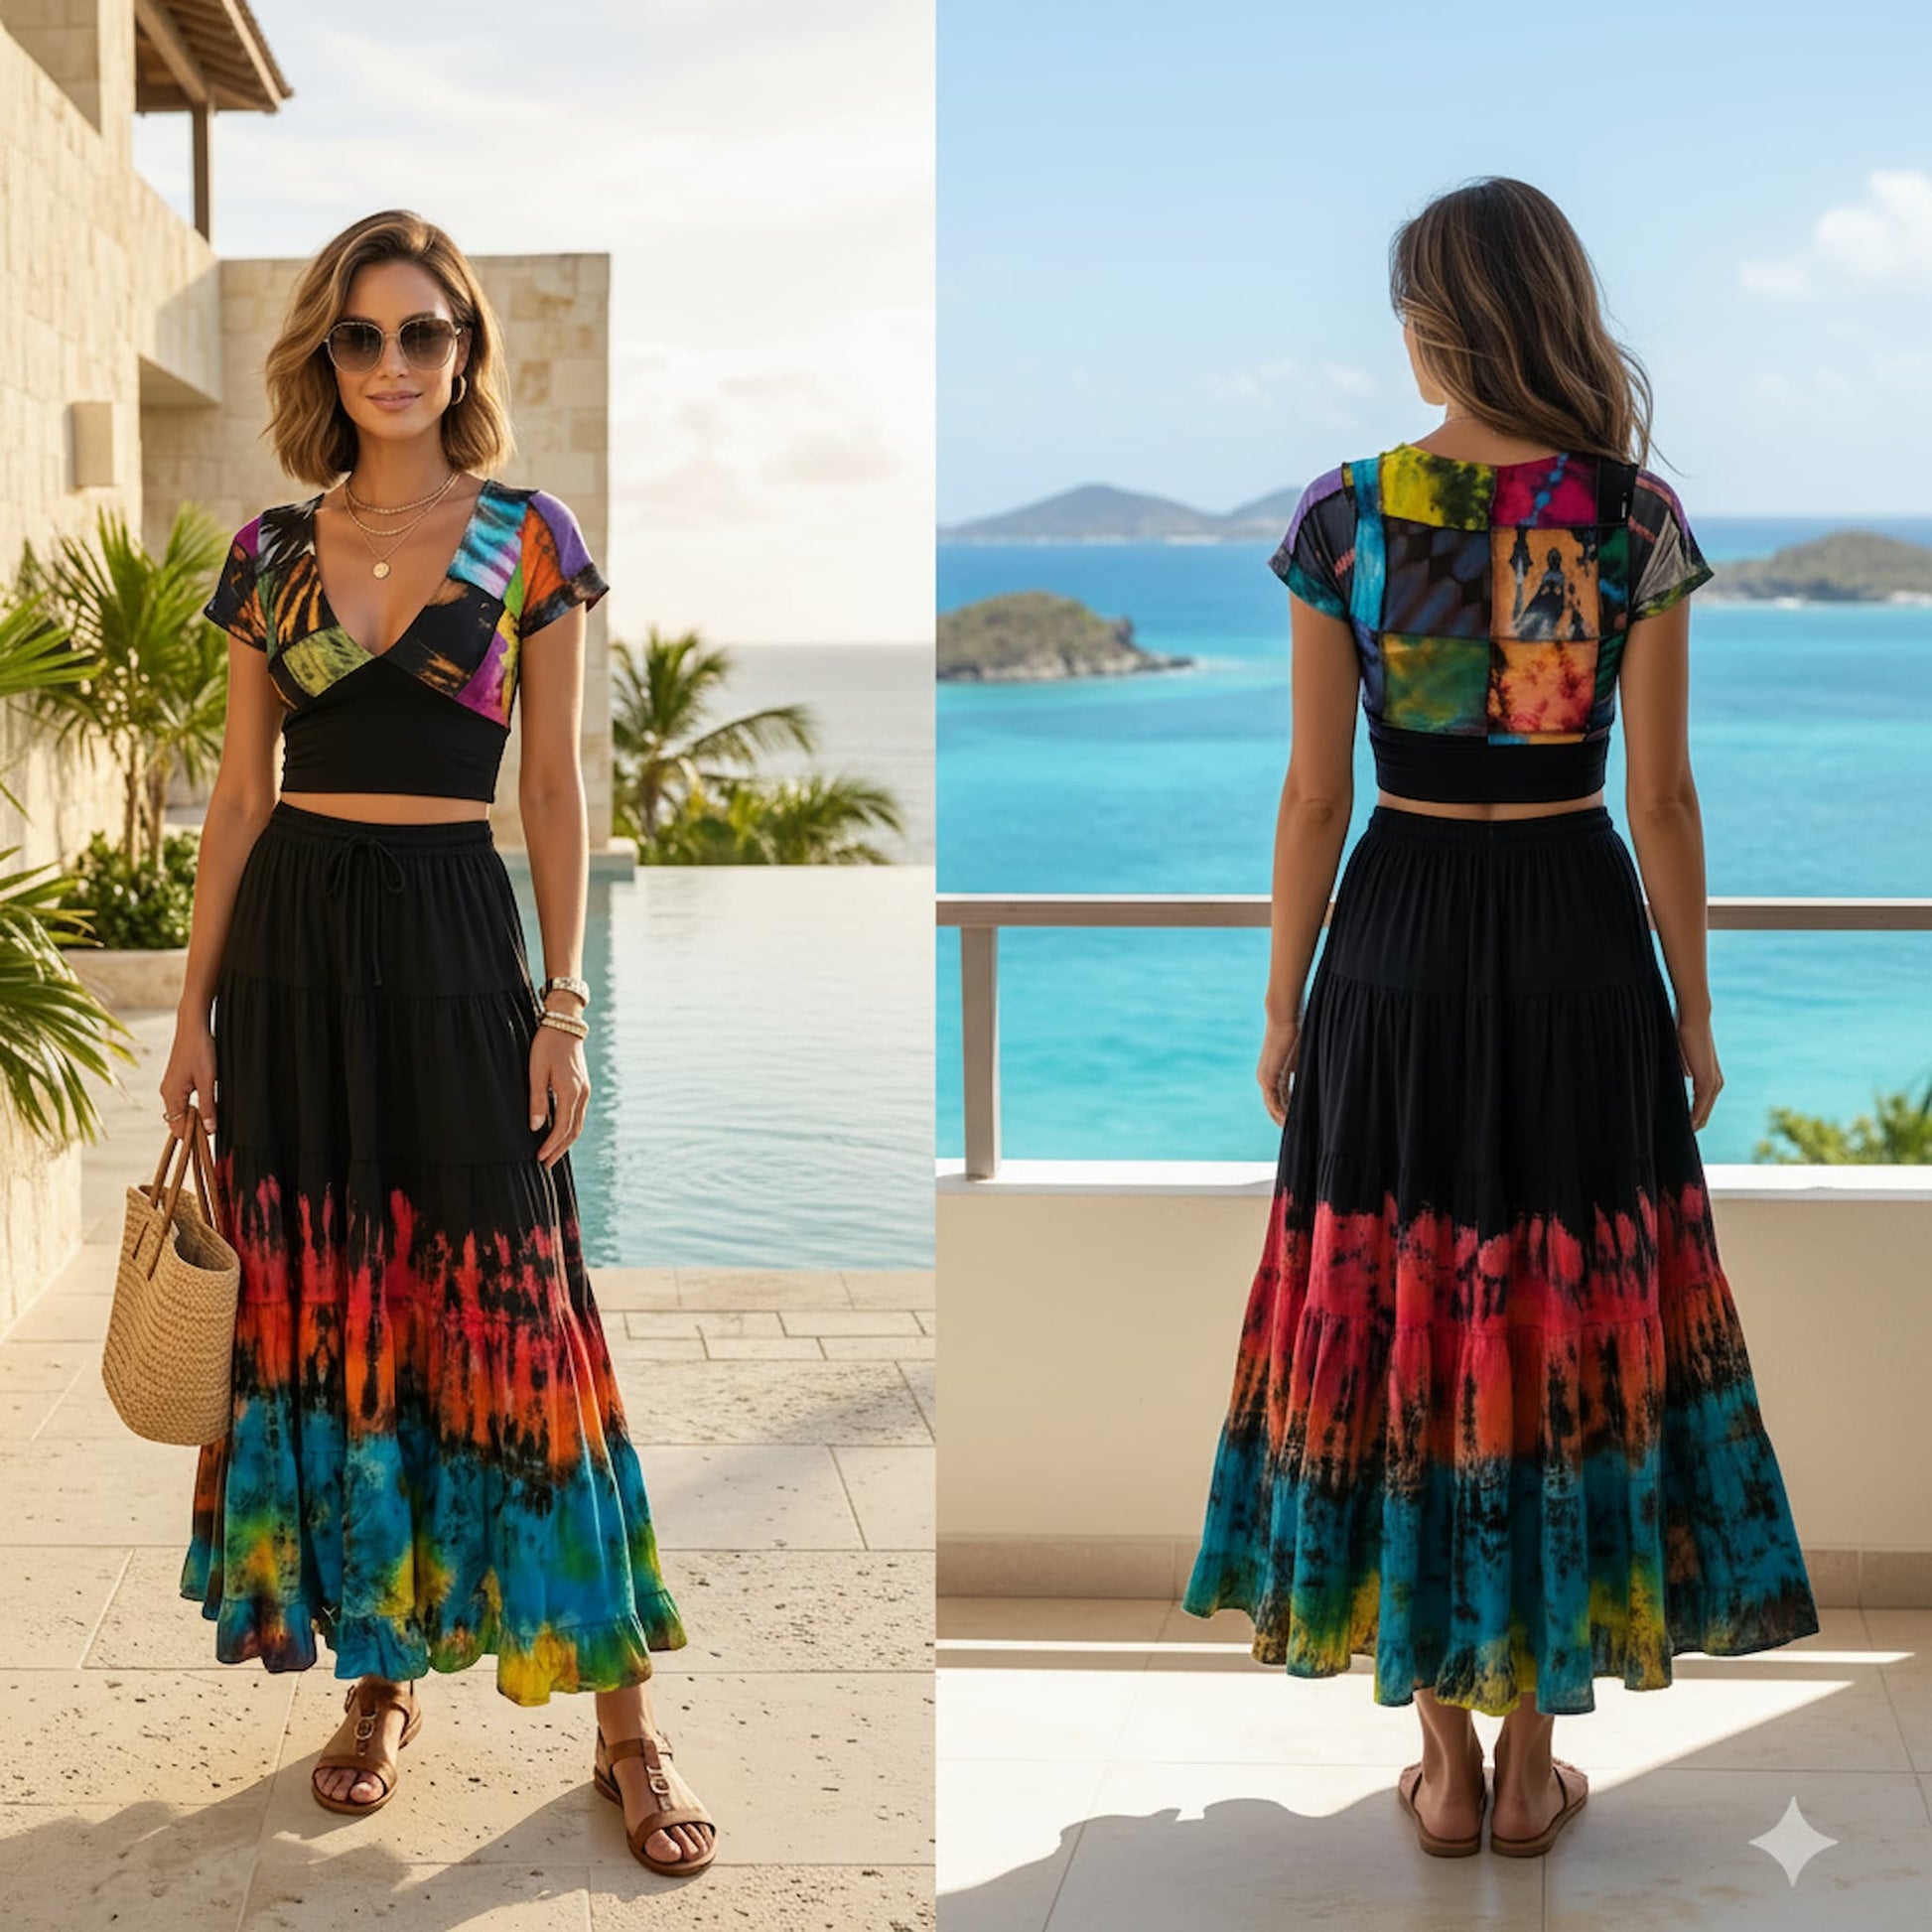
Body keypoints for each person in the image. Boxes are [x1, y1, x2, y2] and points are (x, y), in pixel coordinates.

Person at [1180, 177, 1819, 1862]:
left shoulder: (1343, 515)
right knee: (1560, 1325)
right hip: (1571, 931)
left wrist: (1278, 1001)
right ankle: (1536, 1765)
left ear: (1430, 323)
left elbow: (1312, 797)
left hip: (1388, 938)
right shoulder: (1629, 517)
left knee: (1403, 1314)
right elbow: (1664, 797)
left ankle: (1446, 1767)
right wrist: (1692, 1003)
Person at [159, 208, 717, 1876]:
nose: (393, 363)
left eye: (424, 333)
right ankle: (376, 1685)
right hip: (294, 971)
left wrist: (564, 1002)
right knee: (336, 1323)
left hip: (461, 951)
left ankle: (625, 1722)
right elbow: (238, 798)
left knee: (522, 1317)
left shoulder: (527, 539)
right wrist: (188, 1014)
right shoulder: (269, 551)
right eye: (361, 336)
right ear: (323, 359)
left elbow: (554, 789)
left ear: (464, 351)